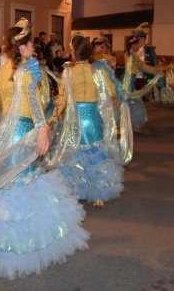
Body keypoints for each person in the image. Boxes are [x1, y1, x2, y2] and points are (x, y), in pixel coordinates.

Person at [0, 19, 89, 281]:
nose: (34, 48)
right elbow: (37, 100)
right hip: (26, 132)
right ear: (24, 46)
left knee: (5, 184)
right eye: (31, 44)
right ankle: (25, 244)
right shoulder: (30, 70)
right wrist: (43, 128)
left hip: (5, 134)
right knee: (26, 183)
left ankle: (3, 245)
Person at [49, 34, 131, 207]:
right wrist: (119, 97)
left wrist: (52, 119)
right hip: (93, 116)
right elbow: (112, 88)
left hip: (77, 116)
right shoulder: (99, 69)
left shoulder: (69, 72)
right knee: (95, 152)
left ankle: (78, 190)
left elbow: (62, 99)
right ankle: (99, 194)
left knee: (77, 153)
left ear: (74, 52)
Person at [122, 23, 160, 132]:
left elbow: (151, 63)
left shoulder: (146, 50)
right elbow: (142, 66)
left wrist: (154, 71)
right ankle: (129, 125)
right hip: (130, 81)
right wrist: (157, 72)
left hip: (136, 79)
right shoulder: (132, 54)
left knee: (133, 103)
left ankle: (131, 124)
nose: (138, 40)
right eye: (136, 38)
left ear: (143, 38)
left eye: (139, 37)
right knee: (132, 103)